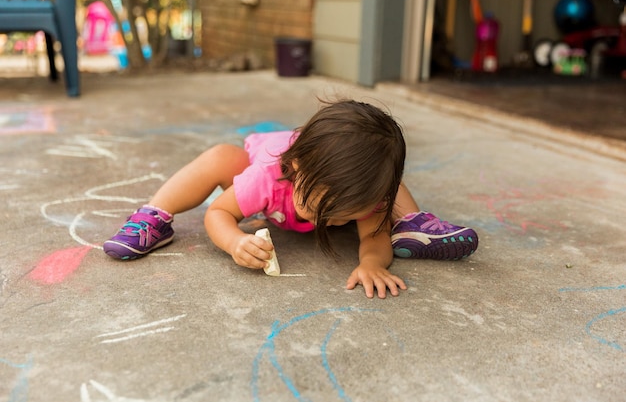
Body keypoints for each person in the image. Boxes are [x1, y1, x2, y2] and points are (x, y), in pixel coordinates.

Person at [103, 99, 478, 298]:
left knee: (384, 176)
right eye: (318, 209)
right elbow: (218, 213)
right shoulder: (266, 180)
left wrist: (373, 263)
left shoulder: (358, 194)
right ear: (295, 169)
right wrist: (235, 242)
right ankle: (153, 214)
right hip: (260, 158)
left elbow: (374, 237)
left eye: (338, 217)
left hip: (346, 175)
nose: (326, 223)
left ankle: (412, 223)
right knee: (220, 157)